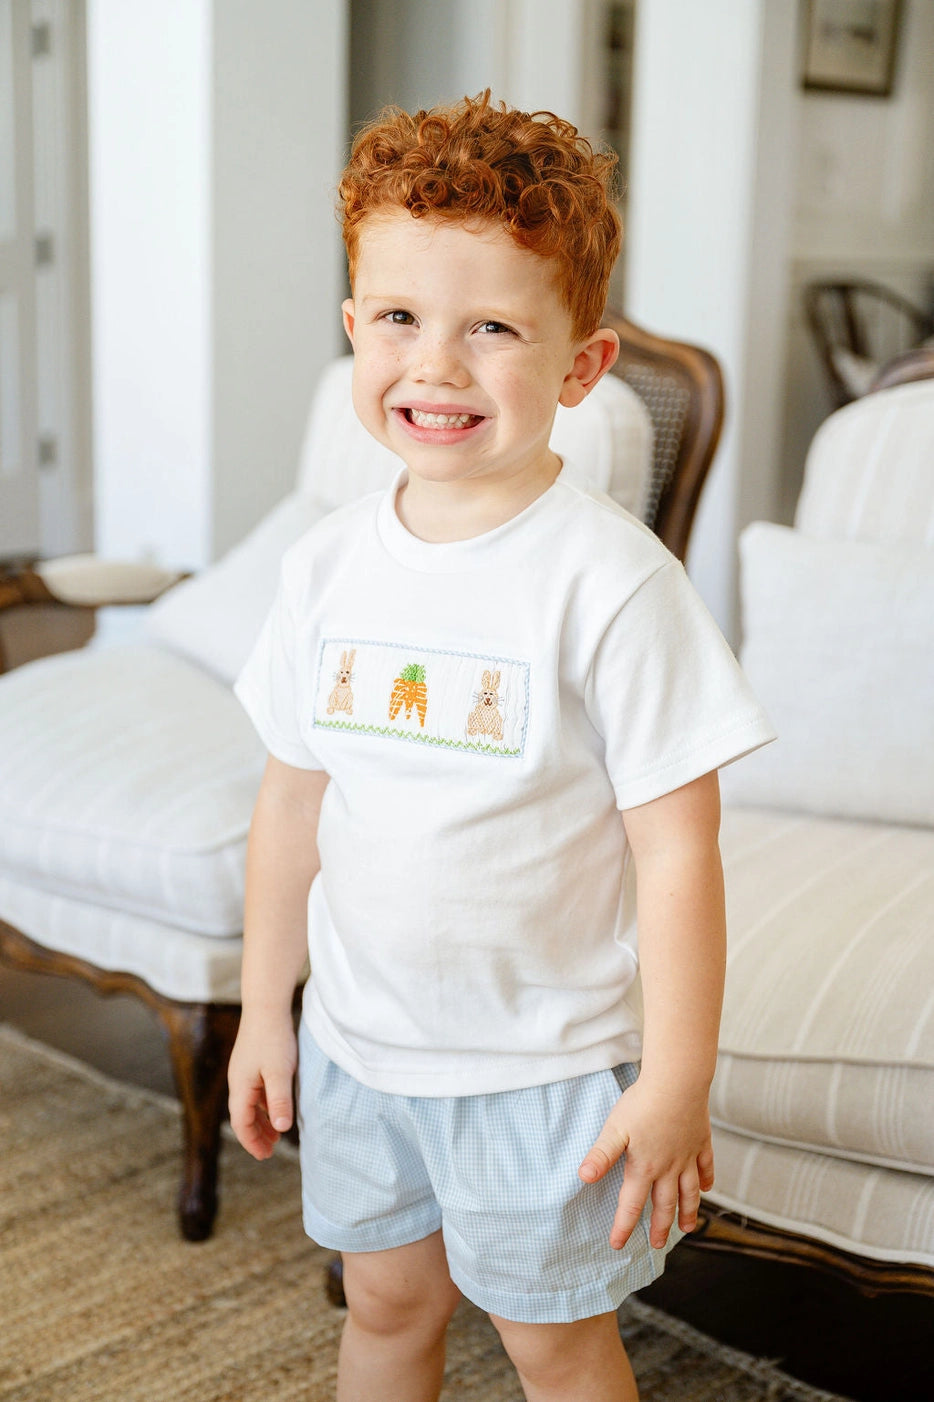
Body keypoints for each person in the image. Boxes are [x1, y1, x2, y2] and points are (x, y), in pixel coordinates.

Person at [228, 92, 774, 1402]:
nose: (436, 365)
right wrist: (263, 1010)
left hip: (541, 1070)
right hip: (358, 1048)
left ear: (581, 366)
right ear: (352, 328)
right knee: (384, 1308)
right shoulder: (322, 567)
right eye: (399, 319)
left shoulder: (612, 583)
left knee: (553, 1345)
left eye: (492, 328)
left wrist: (677, 1080)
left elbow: (677, 853)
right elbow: (291, 809)